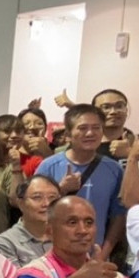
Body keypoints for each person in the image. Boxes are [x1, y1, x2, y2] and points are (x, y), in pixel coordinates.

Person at [34, 104, 125, 258]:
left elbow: (118, 216)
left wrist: (103, 254)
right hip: (52, 255)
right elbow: (33, 209)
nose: (90, 133)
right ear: (68, 134)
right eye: (82, 128)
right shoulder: (48, 166)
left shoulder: (114, 169)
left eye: (96, 128)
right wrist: (61, 190)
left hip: (95, 255)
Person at [0, 174, 59, 266]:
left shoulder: (67, 236)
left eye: (52, 198)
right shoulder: (4, 243)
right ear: (21, 204)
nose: (46, 204)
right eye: (37, 197)